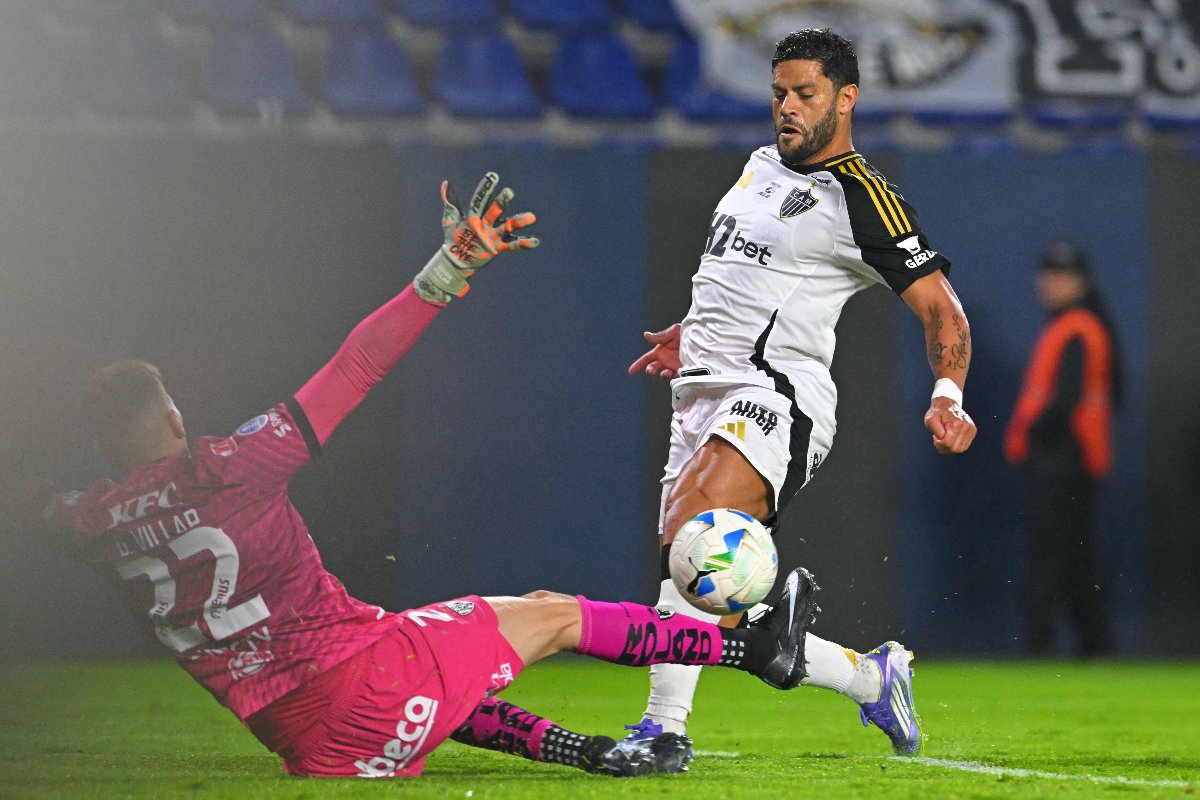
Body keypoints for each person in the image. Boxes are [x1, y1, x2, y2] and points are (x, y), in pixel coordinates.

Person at [2, 172, 827, 780]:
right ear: (173, 420)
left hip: (310, 744)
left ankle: (590, 752)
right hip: (365, 681)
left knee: (436, 664)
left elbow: (26, 496)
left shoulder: (85, 521)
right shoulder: (227, 465)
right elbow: (354, 366)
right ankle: (755, 651)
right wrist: (448, 270)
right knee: (553, 615)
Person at [625, 29, 976, 756]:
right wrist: (694, 332)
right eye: (779, 93)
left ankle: (662, 735)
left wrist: (950, 393)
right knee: (689, 585)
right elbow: (747, 277)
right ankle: (867, 677)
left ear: (846, 99)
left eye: (804, 94)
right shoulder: (759, 166)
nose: (787, 107)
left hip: (776, 396)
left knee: (697, 536)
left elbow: (944, 310)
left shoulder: (863, 197)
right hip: (700, 394)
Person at [1004, 240, 1119, 657]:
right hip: (1067, 461)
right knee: (1073, 561)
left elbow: (1067, 400)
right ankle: (1095, 647)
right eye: (1048, 273)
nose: (1050, 282)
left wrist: (1035, 438)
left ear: (1081, 282)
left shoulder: (1079, 328)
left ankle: (1040, 647)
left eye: (1062, 275)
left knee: (1053, 559)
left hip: (1064, 459)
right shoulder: (1071, 325)